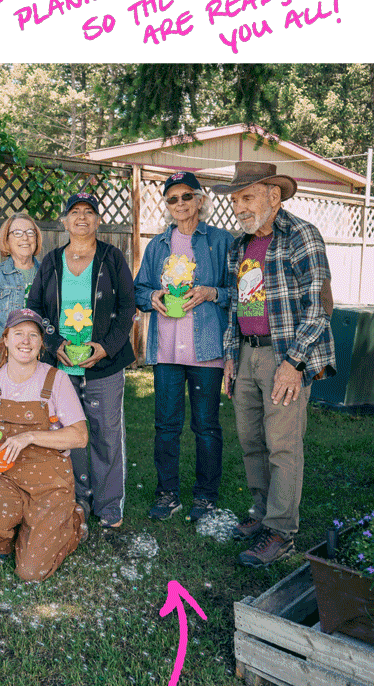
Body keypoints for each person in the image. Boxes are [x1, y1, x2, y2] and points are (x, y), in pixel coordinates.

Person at [215, 161, 336, 567]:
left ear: (273, 195)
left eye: (246, 198)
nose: (238, 208)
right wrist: (230, 357)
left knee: (282, 444)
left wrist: (294, 363)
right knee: (251, 440)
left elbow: (320, 307)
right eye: (235, 200)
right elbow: (234, 308)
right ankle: (262, 513)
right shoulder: (239, 246)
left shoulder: (301, 235)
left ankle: (281, 531)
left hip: (285, 354)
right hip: (246, 353)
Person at [26, 192, 136, 528]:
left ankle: (109, 505)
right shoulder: (51, 261)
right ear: (65, 221)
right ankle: (77, 501)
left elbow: (127, 308)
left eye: (89, 212)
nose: (82, 217)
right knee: (68, 434)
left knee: (106, 434)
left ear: (98, 220)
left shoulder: (112, 258)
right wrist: (53, 343)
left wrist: (106, 347)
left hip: (104, 365)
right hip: (62, 367)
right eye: (75, 212)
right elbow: (35, 308)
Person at [134, 171, 234, 524]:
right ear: (167, 205)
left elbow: (240, 292)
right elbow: (139, 290)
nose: (180, 204)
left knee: (206, 426)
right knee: (166, 426)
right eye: (172, 199)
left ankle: (205, 496)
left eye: (187, 196)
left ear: (200, 200)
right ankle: (168, 493)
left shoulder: (221, 241)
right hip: (167, 351)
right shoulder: (158, 245)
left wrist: (212, 292)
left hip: (206, 349)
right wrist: (152, 296)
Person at [0, 309, 89, 581]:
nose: (26, 341)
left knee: (30, 572)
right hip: (7, 479)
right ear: (5, 339)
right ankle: (20, 528)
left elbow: (80, 436)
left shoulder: (56, 380)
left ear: (41, 343)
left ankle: (73, 521)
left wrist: (29, 436)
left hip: (50, 482)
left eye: (33, 335)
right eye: (18, 333)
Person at [0, 213, 42, 378]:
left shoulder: (47, 273)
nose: (25, 237)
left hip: (40, 358)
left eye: (30, 232)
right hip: (3, 359)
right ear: (7, 240)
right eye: (17, 233)